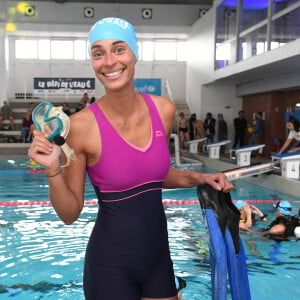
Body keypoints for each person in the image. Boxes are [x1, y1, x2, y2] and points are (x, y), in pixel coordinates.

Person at [28, 17, 233, 300]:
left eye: (119, 49)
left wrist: (201, 178)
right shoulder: (81, 126)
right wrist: (53, 169)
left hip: (159, 259)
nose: (109, 61)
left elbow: (154, 175)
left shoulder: (164, 110)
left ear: (135, 54)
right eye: (98, 53)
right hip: (109, 266)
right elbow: (69, 213)